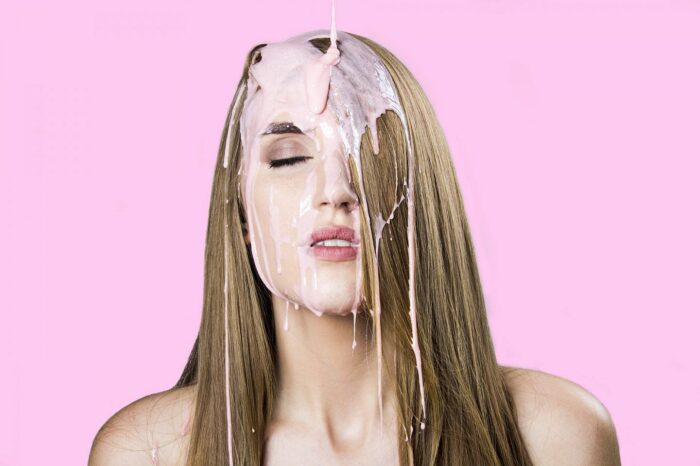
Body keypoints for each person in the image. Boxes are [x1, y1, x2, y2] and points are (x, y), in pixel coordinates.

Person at [89, 28, 621, 466]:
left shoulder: (555, 437)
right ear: (242, 214)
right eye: (289, 157)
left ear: (419, 196)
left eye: (369, 153)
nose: (336, 191)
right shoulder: (149, 453)